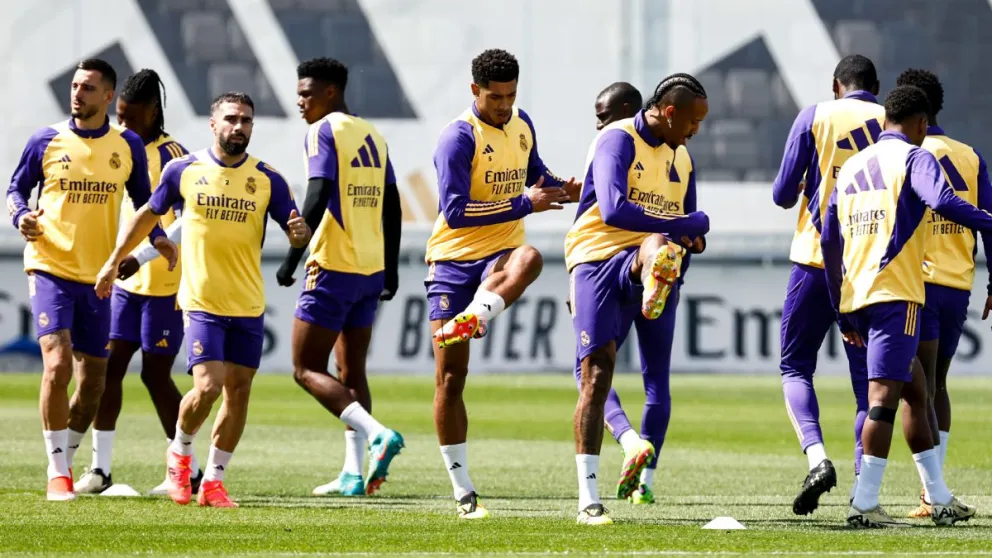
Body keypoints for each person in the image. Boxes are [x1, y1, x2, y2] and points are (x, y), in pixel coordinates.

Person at [94, 92, 310, 508]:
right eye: (231, 119)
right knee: (207, 388)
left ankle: (213, 479)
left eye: (246, 120)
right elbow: (148, 214)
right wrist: (114, 261)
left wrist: (299, 235)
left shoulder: (269, 179)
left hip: (247, 303)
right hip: (201, 300)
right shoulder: (184, 170)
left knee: (238, 393)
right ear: (213, 124)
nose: (239, 127)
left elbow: (295, 227)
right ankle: (180, 452)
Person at [5, 58, 172, 501]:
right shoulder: (46, 139)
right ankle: (58, 473)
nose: (77, 93)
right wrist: (23, 217)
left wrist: (158, 239)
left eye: (88, 88)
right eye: (75, 86)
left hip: (99, 276)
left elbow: (144, 201)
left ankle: (72, 458)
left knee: (94, 383)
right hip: (49, 265)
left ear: (108, 98)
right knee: (57, 364)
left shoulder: (128, 145)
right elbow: (15, 190)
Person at [426, 48, 579, 519]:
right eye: (495, 97)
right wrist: (524, 204)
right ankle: (462, 489)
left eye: (511, 95)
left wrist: (567, 190)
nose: (504, 105)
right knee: (451, 379)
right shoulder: (457, 138)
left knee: (530, 256)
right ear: (475, 90)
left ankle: (477, 314)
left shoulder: (521, 123)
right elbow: (455, 212)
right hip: (452, 260)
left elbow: (537, 177)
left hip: (500, 255)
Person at [821, 85, 982, 528]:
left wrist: (840, 306)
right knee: (884, 399)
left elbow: (828, 237)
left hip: (858, 292)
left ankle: (939, 497)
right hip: (898, 293)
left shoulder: (852, 166)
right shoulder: (915, 157)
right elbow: (944, 201)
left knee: (915, 389)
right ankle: (864, 503)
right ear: (921, 124)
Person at [565, 73, 711, 525]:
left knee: (659, 247)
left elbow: (690, 228)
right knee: (595, 374)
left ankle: (655, 275)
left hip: (650, 258)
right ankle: (592, 498)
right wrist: (683, 226)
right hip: (598, 257)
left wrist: (690, 236)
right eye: (693, 120)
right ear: (669, 112)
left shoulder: (682, 158)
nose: (696, 130)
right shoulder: (617, 139)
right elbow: (610, 210)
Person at [276, 57, 405, 497]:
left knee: (303, 367)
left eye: (307, 94)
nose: (301, 103)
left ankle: (378, 434)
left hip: (333, 265)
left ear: (331, 92)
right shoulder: (372, 132)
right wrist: (389, 268)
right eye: (298, 95)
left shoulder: (323, 129)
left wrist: (293, 259)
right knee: (351, 371)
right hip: (368, 269)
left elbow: (318, 191)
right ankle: (353, 473)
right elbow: (392, 203)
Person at [74, 69, 201, 496]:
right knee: (109, 369)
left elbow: (186, 221)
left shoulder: (174, 156)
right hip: (126, 282)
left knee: (155, 374)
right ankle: (100, 469)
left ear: (152, 110)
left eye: (130, 116)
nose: (123, 123)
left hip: (165, 281)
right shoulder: (121, 149)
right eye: (119, 116)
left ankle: (187, 469)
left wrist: (143, 255)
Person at [771, 54, 880, 515]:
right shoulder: (893, 122)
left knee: (796, 366)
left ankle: (817, 458)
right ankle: (863, 495)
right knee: (867, 387)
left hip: (815, 261)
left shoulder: (815, 115)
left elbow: (780, 194)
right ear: (877, 87)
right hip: (872, 268)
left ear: (837, 85)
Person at [893, 69, 992, 518]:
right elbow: (986, 217)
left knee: (909, 388)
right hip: (957, 283)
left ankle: (929, 492)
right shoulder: (970, 156)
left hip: (915, 283)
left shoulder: (905, 154)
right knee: (937, 386)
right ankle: (932, 490)